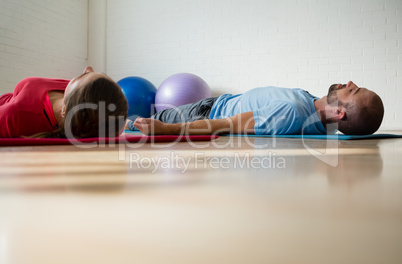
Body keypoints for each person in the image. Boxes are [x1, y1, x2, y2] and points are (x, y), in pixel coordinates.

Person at [126, 81, 384, 136]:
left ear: (340, 112)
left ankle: (112, 122)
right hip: (216, 103)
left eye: (353, 90)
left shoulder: (291, 113)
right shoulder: (320, 117)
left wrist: (166, 129)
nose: (350, 83)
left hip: (208, 111)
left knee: (140, 122)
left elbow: (230, 124)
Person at [0, 67, 128, 138]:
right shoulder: (79, 97)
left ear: (64, 110)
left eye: (82, 76)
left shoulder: (17, 115)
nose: (87, 68)